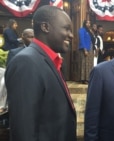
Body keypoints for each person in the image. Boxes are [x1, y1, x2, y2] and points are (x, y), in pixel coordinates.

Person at [5, 5, 76, 141]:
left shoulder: (53, 62)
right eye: (66, 29)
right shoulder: (26, 62)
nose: (71, 35)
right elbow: (24, 130)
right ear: (45, 27)